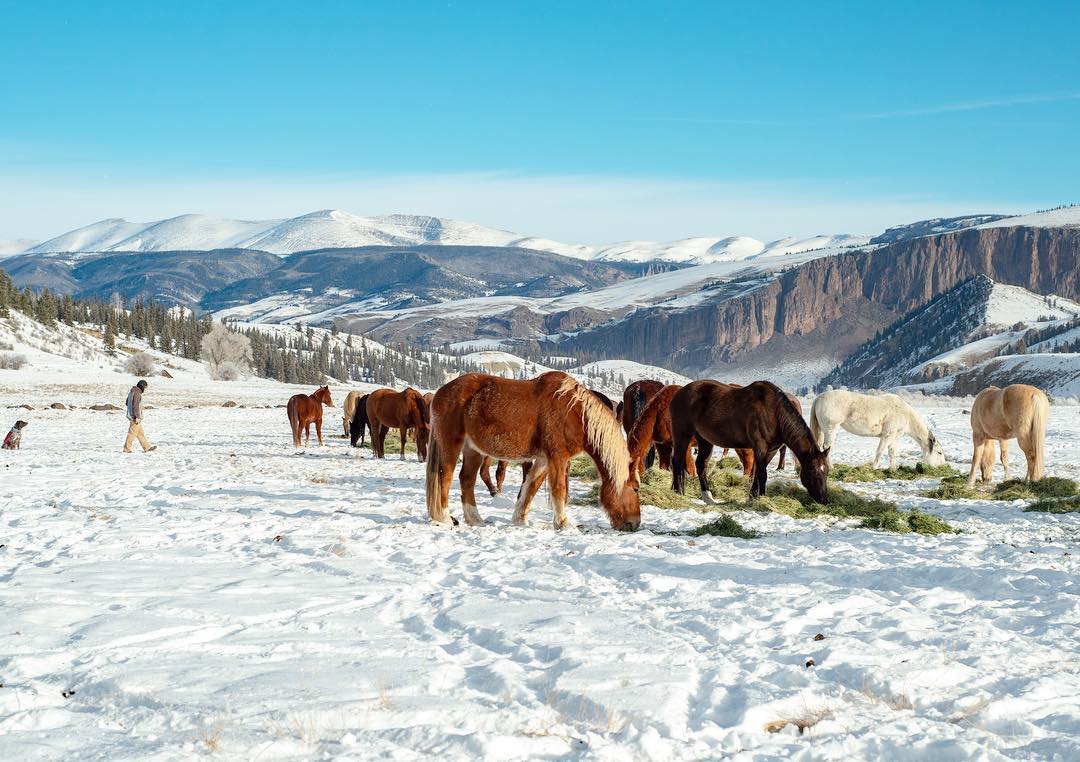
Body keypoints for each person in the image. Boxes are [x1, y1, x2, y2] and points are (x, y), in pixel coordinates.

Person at [124, 380, 156, 453]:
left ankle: (147, 447)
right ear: (142, 386)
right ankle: (126, 449)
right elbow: (135, 406)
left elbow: (127, 403)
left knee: (140, 433)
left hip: (132, 415)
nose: (145, 389)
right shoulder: (137, 393)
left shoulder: (132, 392)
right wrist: (137, 417)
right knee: (132, 433)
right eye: (145, 387)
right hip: (134, 417)